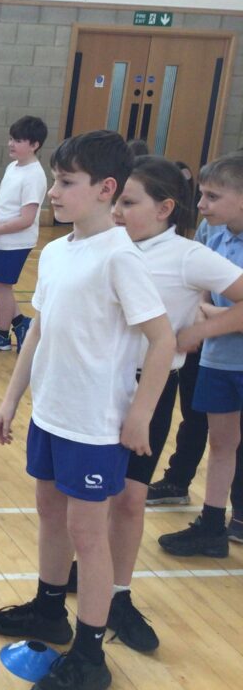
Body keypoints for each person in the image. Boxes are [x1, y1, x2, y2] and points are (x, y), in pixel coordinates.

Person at [0, 131, 174, 690]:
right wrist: (12, 398)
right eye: (55, 181)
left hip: (93, 426)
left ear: (105, 189)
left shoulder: (121, 257)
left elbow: (162, 340)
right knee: (50, 511)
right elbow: (39, 330)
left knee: (88, 535)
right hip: (51, 415)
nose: (54, 192)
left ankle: (90, 654)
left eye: (66, 182)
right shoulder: (57, 251)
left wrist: (140, 414)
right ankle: (48, 610)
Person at [104, 156, 243, 652]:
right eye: (116, 200)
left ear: (164, 209)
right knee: (85, 496)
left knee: (129, 498)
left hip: (152, 387)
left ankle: (117, 594)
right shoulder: (105, 245)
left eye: (128, 202)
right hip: (98, 386)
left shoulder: (188, 255)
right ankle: (79, 576)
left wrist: (200, 330)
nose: (117, 210)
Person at [158, 153, 243, 557]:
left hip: (225, 352)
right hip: (219, 360)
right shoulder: (214, 236)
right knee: (222, 444)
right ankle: (211, 524)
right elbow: (204, 291)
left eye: (213, 196)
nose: (202, 204)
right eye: (202, 194)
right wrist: (211, 314)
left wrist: (203, 326)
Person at [0, 116, 48, 352]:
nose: (10, 144)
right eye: (11, 139)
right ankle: (20, 321)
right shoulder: (12, 167)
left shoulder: (34, 175)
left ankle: (1, 335)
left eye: (17, 140)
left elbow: (26, 219)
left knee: (2, 286)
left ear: (34, 145)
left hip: (14, 242)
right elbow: (5, 204)